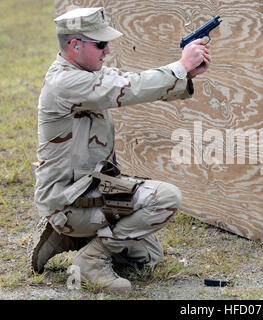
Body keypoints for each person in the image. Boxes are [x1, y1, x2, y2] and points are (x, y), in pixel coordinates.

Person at [29, 7, 211, 291]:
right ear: (75, 45)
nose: (108, 50)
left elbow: (133, 81)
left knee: (148, 259)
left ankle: (74, 237)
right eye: (100, 44)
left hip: (87, 188)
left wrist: (185, 75)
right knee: (166, 199)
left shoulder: (85, 72)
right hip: (69, 197)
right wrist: (180, 67)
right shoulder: (66, 82)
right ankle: (90, 258)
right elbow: (130, 87)